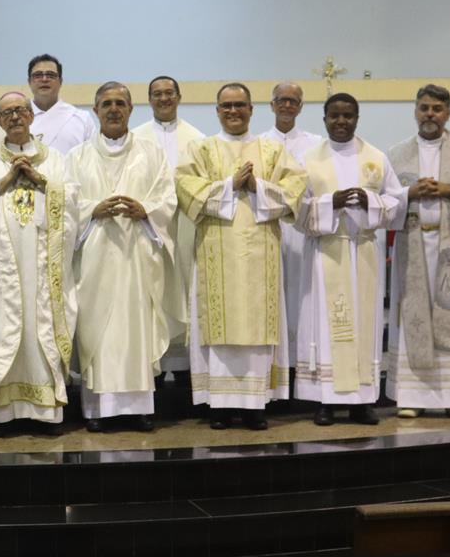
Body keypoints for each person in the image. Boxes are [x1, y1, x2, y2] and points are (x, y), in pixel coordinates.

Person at [175, 83, 307, 430]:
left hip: (261, 256)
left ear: (251, 109)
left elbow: (295, 190)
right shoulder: (200, 149)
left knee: (257, 328)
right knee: (219, 326)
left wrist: (257, 187)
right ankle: (219, 407)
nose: (233, 111)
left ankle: (253, 406)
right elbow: (186, 190)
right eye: (226, 106)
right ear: (217, 111)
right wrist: (230, 185)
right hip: (215, 255)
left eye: (240, 105)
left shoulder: (272, 150)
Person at [0, 91, 79, 437]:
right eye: (7, 112)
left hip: (42, 264)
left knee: (40, 329)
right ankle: (2, 414)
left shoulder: (55, 160)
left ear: (31, 116)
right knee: (3, 328)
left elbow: (73, 201)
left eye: (21, 110)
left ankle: (45, 412)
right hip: (2, 267)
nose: (15, 117)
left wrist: (40, 180)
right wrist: (6, 180)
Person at [68, 82, 178, 432]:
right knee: (97, 331)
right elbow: (66, 205)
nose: (113, 109)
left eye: (120, 103)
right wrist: (91, 210)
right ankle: (98, 410)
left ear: (131, 109)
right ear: (95, 111)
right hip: (95, 257)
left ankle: (140, 408)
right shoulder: (77, 156)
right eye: (106, 104)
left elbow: (167, 198)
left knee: (136, 328)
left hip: (137, 255)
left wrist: (146, 211)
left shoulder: (151, 153)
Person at [294, 93, 401, 426]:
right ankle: (325, 401)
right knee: (326, 327)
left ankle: (362, 402)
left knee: (364, 325)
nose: (341, 121)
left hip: (363, 251)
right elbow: (295, 209)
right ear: (324, 119)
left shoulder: (376, 158)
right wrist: (331, 202)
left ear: (357, 118)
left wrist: (371, 202)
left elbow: (396, 201)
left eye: (348, 115)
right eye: (335, 116)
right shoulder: (308, 160)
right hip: (326, 252)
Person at [386, 84, 450, 419]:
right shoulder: (396, 154)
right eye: (424, 108)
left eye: (436, 109)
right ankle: (412, 396)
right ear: (415, 111)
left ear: (447, 113)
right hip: (412, 248)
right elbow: (384, 202)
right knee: (414, 318)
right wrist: (409, 194)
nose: (429, 114)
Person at [131, 76, 204, 388]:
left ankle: (187, 374)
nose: (163, 99)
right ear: (149, 99)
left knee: (185, 293)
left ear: (179, 97)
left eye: (169, 93)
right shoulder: (136, 138)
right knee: (153, 294)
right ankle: (155, 373)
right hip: (148, 228)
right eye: (157, 94)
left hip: (184, 227)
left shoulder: (198, 139)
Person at [261, 82, 323, 363]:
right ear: (271, 105)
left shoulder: (316, 145)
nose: (287, 105)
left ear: (301, 107)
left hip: (301, 228)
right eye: (281, 100)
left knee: (301, 294)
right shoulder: (258, 143)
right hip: (269, 226)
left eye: (293, 101)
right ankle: (273, 362)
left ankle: (300, 362)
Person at [27, 54, 95, 154]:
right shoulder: (17, 119)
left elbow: (92, 158)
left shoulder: (82, 118)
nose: (44, 79)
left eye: (51, 75)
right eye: (38, 75)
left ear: (60, 81)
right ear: (29, 82)